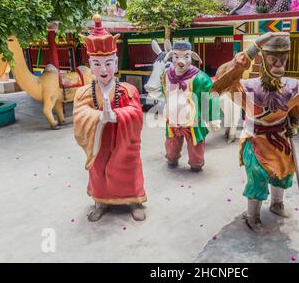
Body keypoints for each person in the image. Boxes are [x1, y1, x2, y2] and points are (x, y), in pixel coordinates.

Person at [212, 32, 299, 233]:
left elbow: (297, 109)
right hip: (256, 139)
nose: (279, 66)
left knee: (283, 172)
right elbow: (220, 81)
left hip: (281, 138)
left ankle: (276, 204)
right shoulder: (247, 88)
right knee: (258, 174)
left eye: (283, 60)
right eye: (273, 60)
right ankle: (252, 216)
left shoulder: (295, 86)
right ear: (263, 60)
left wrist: (294, 124)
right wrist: (250, 51)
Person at [73, 15, 146, 222]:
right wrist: (98, 117)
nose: (103, 70)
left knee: (129, 167)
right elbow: (79, 114)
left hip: (124, 139)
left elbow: (136, 113)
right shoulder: (84, 92)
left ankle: (135, 200)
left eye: (108, 63)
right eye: (96, 64)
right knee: (99, 169)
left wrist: (116, 115)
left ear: (115, 63)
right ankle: (101, 201)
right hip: (100, 138)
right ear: (90, 65)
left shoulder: (128, 89)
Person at [160, 41, 221, 172]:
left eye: (186, 57)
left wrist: (213, 118)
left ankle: (196, 165)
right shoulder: (166, 76)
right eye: (176, 57)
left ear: (192, 57)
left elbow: (210, 97)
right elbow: (164, 92)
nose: (180, 61)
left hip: (193, 123)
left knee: (196, 153)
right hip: (172, 122)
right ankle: (172, 159)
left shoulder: (200, 78)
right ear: (171, 57)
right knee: (171, 149)